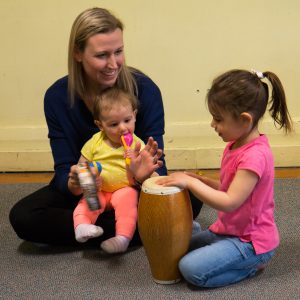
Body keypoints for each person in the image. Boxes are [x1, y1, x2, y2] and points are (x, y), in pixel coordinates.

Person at [9, 7, 202, 248]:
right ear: (78, 53)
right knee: (23, 216)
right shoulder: (57, 98)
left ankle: (98, 230)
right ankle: (138, 229)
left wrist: (143, 178)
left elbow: (158, 169)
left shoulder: (146, 91)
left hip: (135, 191)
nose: (113, 64)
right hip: (90, 195)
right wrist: (73, 183)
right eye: (102, 55)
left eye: (118, 52)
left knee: (192, 198)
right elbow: (62, 170)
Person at [157, 69, 293, 288]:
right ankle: (218, 249)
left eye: (218, 119)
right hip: (227, 231)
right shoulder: (235, 144)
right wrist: (200, 181)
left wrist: (190, 183)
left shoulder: (255, 156)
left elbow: (230, 202)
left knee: (189, 269)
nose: (213, 124)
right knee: (178, 247)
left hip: (250, 243)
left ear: (245, 120)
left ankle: (251, 267)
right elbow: (229, 188)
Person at [74, 87, 149, 253]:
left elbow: (142, 176)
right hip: (99, 189)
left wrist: (135, 161)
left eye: (127, 120)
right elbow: (82, 166)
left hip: (123, 189)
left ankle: (122, 238)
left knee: (128, 202)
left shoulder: (138, 145)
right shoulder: (95, 143)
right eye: (114, 124)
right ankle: (82, 226)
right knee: (87, 201)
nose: (123, 128)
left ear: (135, 115)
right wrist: (88, 179)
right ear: (100, 125)